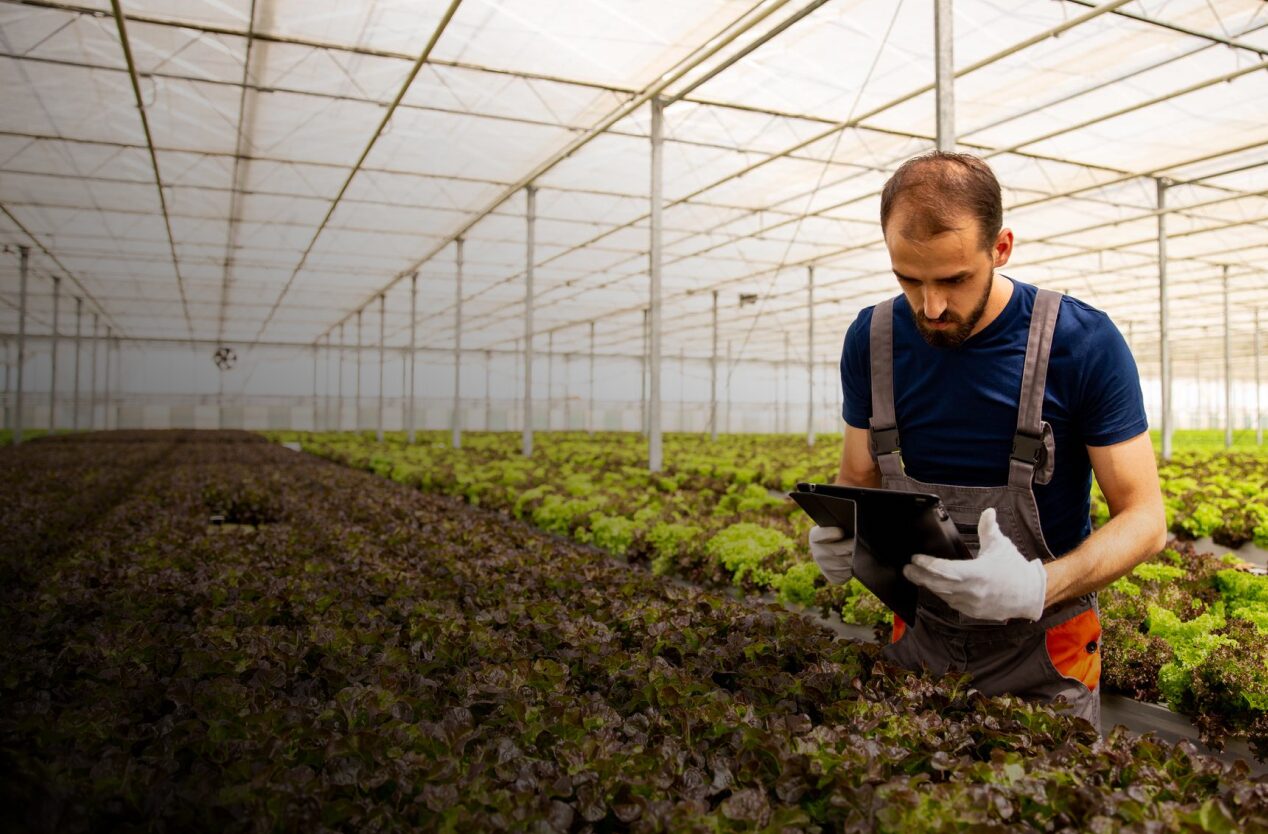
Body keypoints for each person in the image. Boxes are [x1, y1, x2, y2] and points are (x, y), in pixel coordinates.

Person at [809, 151, 1166, 728]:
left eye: (953, 279)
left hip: (1043, 655)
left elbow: (1145, 519)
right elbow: (858, 479)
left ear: (1000, 248)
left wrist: (1038, 586)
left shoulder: (1082, 343)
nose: (931, 306)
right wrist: (842, 533)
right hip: (918, 640)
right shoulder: (870, 340)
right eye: (909, 278)